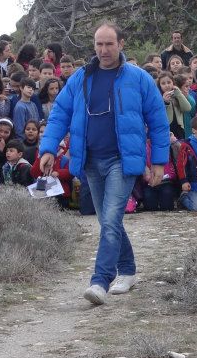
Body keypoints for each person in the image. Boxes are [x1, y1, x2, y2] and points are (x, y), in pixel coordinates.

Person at [40, 22, 170, 306]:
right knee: (108, 221)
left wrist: (159, 162)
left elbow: (158, 121)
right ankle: (128, 270)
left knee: (110, 220)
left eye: (109, 44)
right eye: (99, 44)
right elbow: (60, 113)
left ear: (121, 44)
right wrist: (48, 148)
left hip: (121, 161)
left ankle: (100, 281)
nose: (103, 50)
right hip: (89, 160)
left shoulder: (139, 78)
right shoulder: (81, 77)